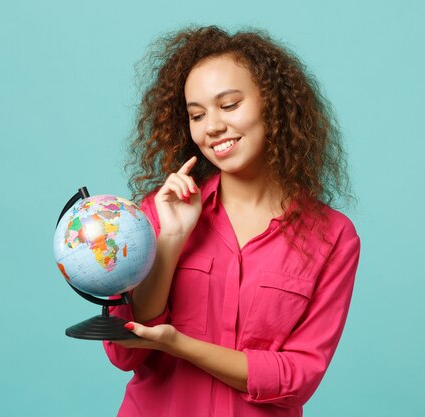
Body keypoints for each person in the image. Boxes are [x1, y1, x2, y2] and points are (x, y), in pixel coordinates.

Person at [103, 25, 360, 417]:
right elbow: (124, 352)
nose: (212, 127)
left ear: (271, 105)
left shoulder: (332, 237)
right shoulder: (159, 211)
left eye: (229, 105)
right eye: (197, 114)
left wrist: (179, 345)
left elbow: (296, 378)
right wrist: (172, 237)